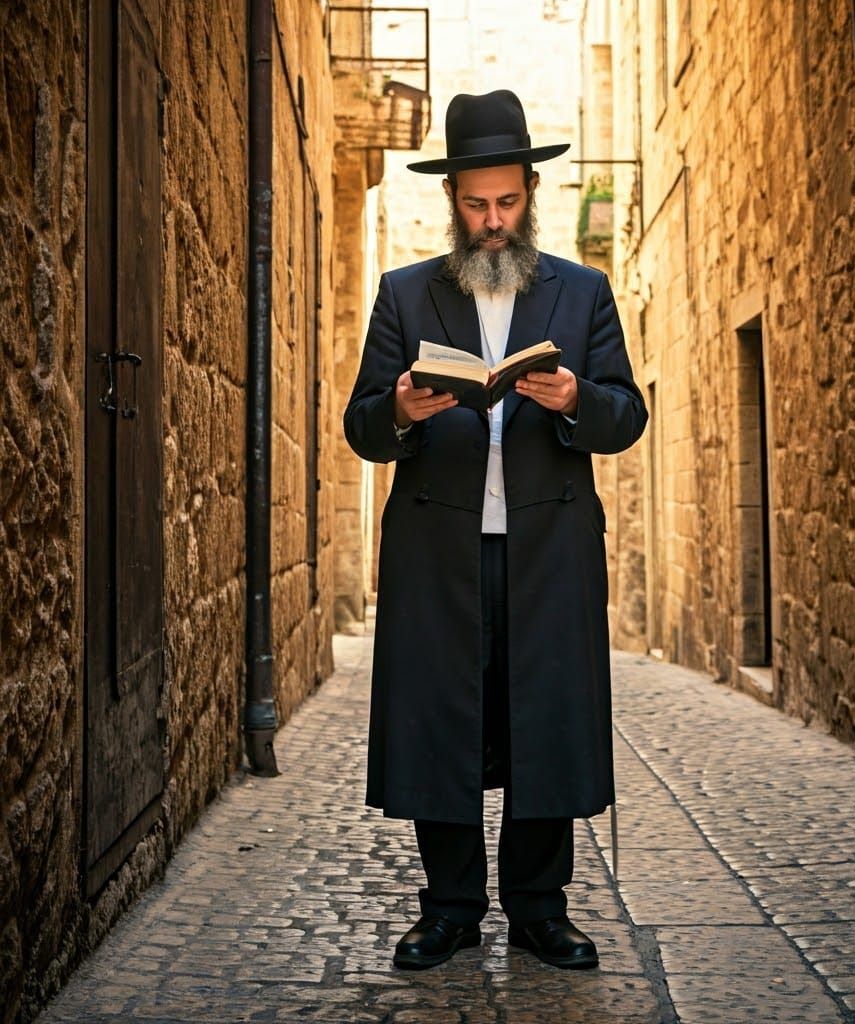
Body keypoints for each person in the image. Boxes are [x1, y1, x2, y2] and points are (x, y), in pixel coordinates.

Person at [343, 89, 647, 971]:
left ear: (529, 195)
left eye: (507, 202)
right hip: (438, 552)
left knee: (544, 721)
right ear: (453, 203)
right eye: (476, 205)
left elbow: (626, 415)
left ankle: (541, 911)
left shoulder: (583, 294)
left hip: (548, 551)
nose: (492, 222)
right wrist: (398, 406)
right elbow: (361, 427)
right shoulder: (405, 295)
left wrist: (574, 400)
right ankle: (448, 910)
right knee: (442, 721)